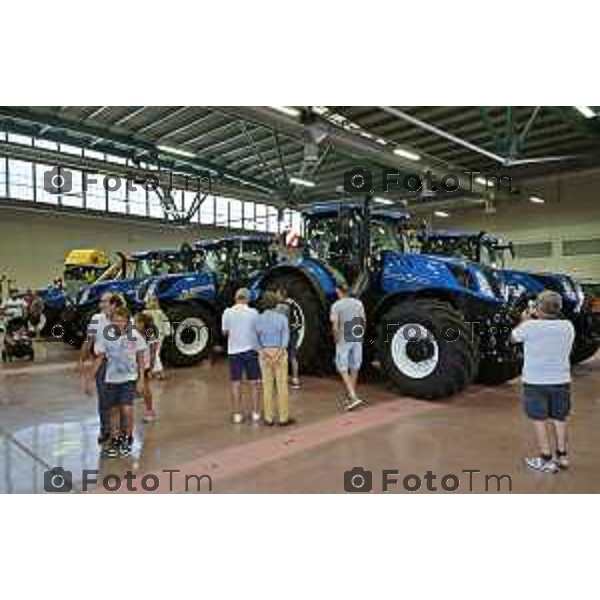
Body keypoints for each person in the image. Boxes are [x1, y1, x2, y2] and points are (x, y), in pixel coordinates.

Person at [512, 290, 575, 473]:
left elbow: (513, 337)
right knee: (559, 419)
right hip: (561, 381)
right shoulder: (568, 326)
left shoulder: (529, 326)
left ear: (538, 307)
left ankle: (546, 459)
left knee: (539, 420)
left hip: (535, 383)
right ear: (559, 308)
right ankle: (562, 457)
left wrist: (525, 319)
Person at [92, 306, 146, 458]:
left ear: (127, 321)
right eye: (115, 320)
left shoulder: (134, 335)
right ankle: (115, 439)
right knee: (113, 411)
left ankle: (127, 439)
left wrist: (141, 379)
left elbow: (141, 358)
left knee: (126, 409)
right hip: (111, 379)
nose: (118, 323)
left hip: (128, 379)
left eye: (122, 320)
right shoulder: (106, 335)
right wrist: (90, 378)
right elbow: (100, 357)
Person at [81, 292, 126, 444]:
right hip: (102, 363)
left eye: (105, 301)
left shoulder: (125, 320)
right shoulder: (96, 319)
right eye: (101, 302)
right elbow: (89, 340)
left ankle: (120, 431)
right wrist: (83, 359)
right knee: (104, 399)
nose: (102, 305)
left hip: (120, 363)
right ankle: (105, 430)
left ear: (115, 304)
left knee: (121, 400)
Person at [221, 288, 261, 424]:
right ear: (248, 299)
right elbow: (258, 331)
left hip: (234, 352)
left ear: (235, 297)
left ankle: (237, 414)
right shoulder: (254, 313)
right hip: (251, 351)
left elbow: (225, 332)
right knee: (254, 383)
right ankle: (255, 413)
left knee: (236, 383)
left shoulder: (227, 312)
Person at [257, 291, 293, 426]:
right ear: (275, 303)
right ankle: (283, 418)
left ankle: (268, 418)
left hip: (264, 354)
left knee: (267, 386)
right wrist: (277, 355)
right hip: (280, 353)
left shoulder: (258, 319)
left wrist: (263, 352)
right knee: (282, 386)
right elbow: (285, 339)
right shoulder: (282, 319)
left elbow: (254, 339)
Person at [330, 282, 366, 411]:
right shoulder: (358, 303)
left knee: (342, 368)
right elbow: (363, 321)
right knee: (354, 366)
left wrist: (336, 339)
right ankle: (351, 395)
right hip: (356, 335)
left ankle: (353, 396)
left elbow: (335, 326)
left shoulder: (336, 306)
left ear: (339, 291)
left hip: (344, 337)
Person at [274, 286, 301, 389]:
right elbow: (298, 322)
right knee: (293, 356)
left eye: (277, 294)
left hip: (284, 334)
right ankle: (295, 379)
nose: (276, 296)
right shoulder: (294, 304)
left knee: (280, 356)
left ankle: (279, 379)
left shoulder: (281, 306)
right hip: (294, 334)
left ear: (281, 295)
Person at [134, 312, 158, 423]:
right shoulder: (133, 333)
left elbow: (153, 352)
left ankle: (149, 411)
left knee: (146, 389)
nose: (134, 324)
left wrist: (151, 368)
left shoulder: (150, 334)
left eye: (137, 322)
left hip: (145, 366)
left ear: (143, 323)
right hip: (133, 366)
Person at [143, 296, 167, 380]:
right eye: (150, 301)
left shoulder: (158, 313)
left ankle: (158, 371)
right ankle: (154, 371)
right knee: (153, 354)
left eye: (154, 301)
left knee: (155, 353)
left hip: (156, 335)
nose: (152, 303)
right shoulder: (146, 313)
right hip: (151, 335)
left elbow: (165, 323)